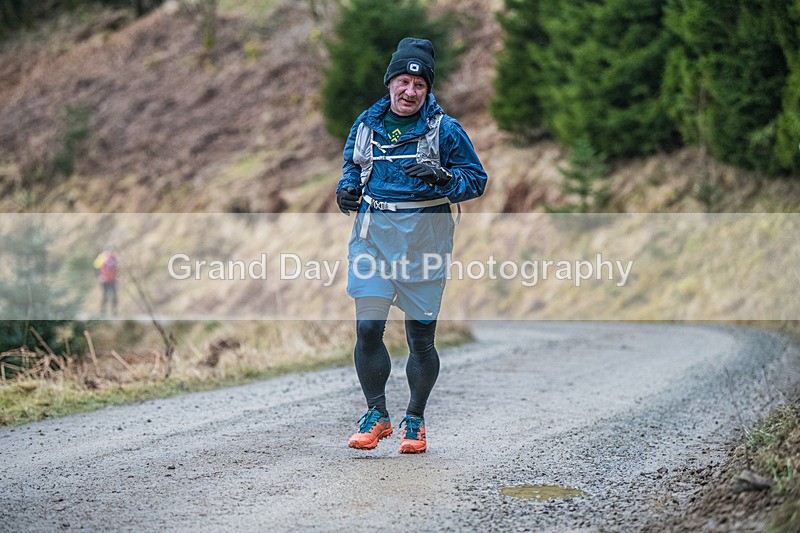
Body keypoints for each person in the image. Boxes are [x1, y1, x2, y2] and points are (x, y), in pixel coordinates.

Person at [336, 37, 487, 453]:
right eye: (403, 81)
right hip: (372, 242)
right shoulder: (366, 125)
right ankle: (376, 414)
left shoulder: (446, 130)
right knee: (368, 329)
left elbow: (476, 180)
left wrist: (444, 180)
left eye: (419, 85)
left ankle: (415, 420)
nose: (410, 91)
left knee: (420, 340)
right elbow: (353, 166)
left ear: (428, 89)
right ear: (390, 83)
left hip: (425, 245)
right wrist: (345, 190)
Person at [94, 245, 118, 315]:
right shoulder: (102, 257)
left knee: (114, 295)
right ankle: (103, 311)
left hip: (112, 279)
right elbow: (96, 266)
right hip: (105, 279)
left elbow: (116, 269)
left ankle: (113, 310)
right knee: (105, 295)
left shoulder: (113, 257)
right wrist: (99, 276)